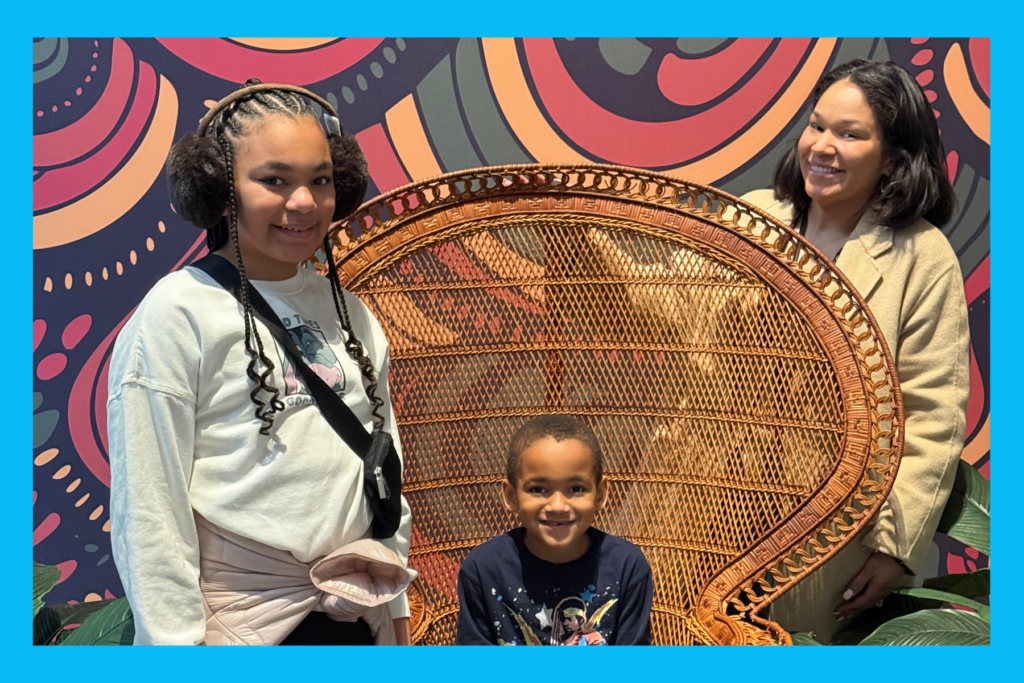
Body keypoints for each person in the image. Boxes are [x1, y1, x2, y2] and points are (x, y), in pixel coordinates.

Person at [107, 80, 413, 645]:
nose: (304, 203)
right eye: (274, 180)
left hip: (355, 617)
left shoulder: (353, 313)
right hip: (241, 630)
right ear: (220, 188)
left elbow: (381, 461)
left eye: (320, 181)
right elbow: (149, 506)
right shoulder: (177, 314)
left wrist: (395, 613)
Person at [740, 59, 970, 642]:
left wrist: (896, 548)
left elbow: (932, 415)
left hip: (825, 529)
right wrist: (582, 237)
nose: (821, 146)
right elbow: (677, 313)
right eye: (817, 126)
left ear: (892, 158)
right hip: (706, 496)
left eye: (849, 134)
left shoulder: (923, 256)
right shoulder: (755, 216)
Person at [456, 415, 653, 645]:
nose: (558, 505)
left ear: (600, 494)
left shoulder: (628, 568)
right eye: (538, 489)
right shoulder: (483, 570)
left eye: (576, 488)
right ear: (511, 495)